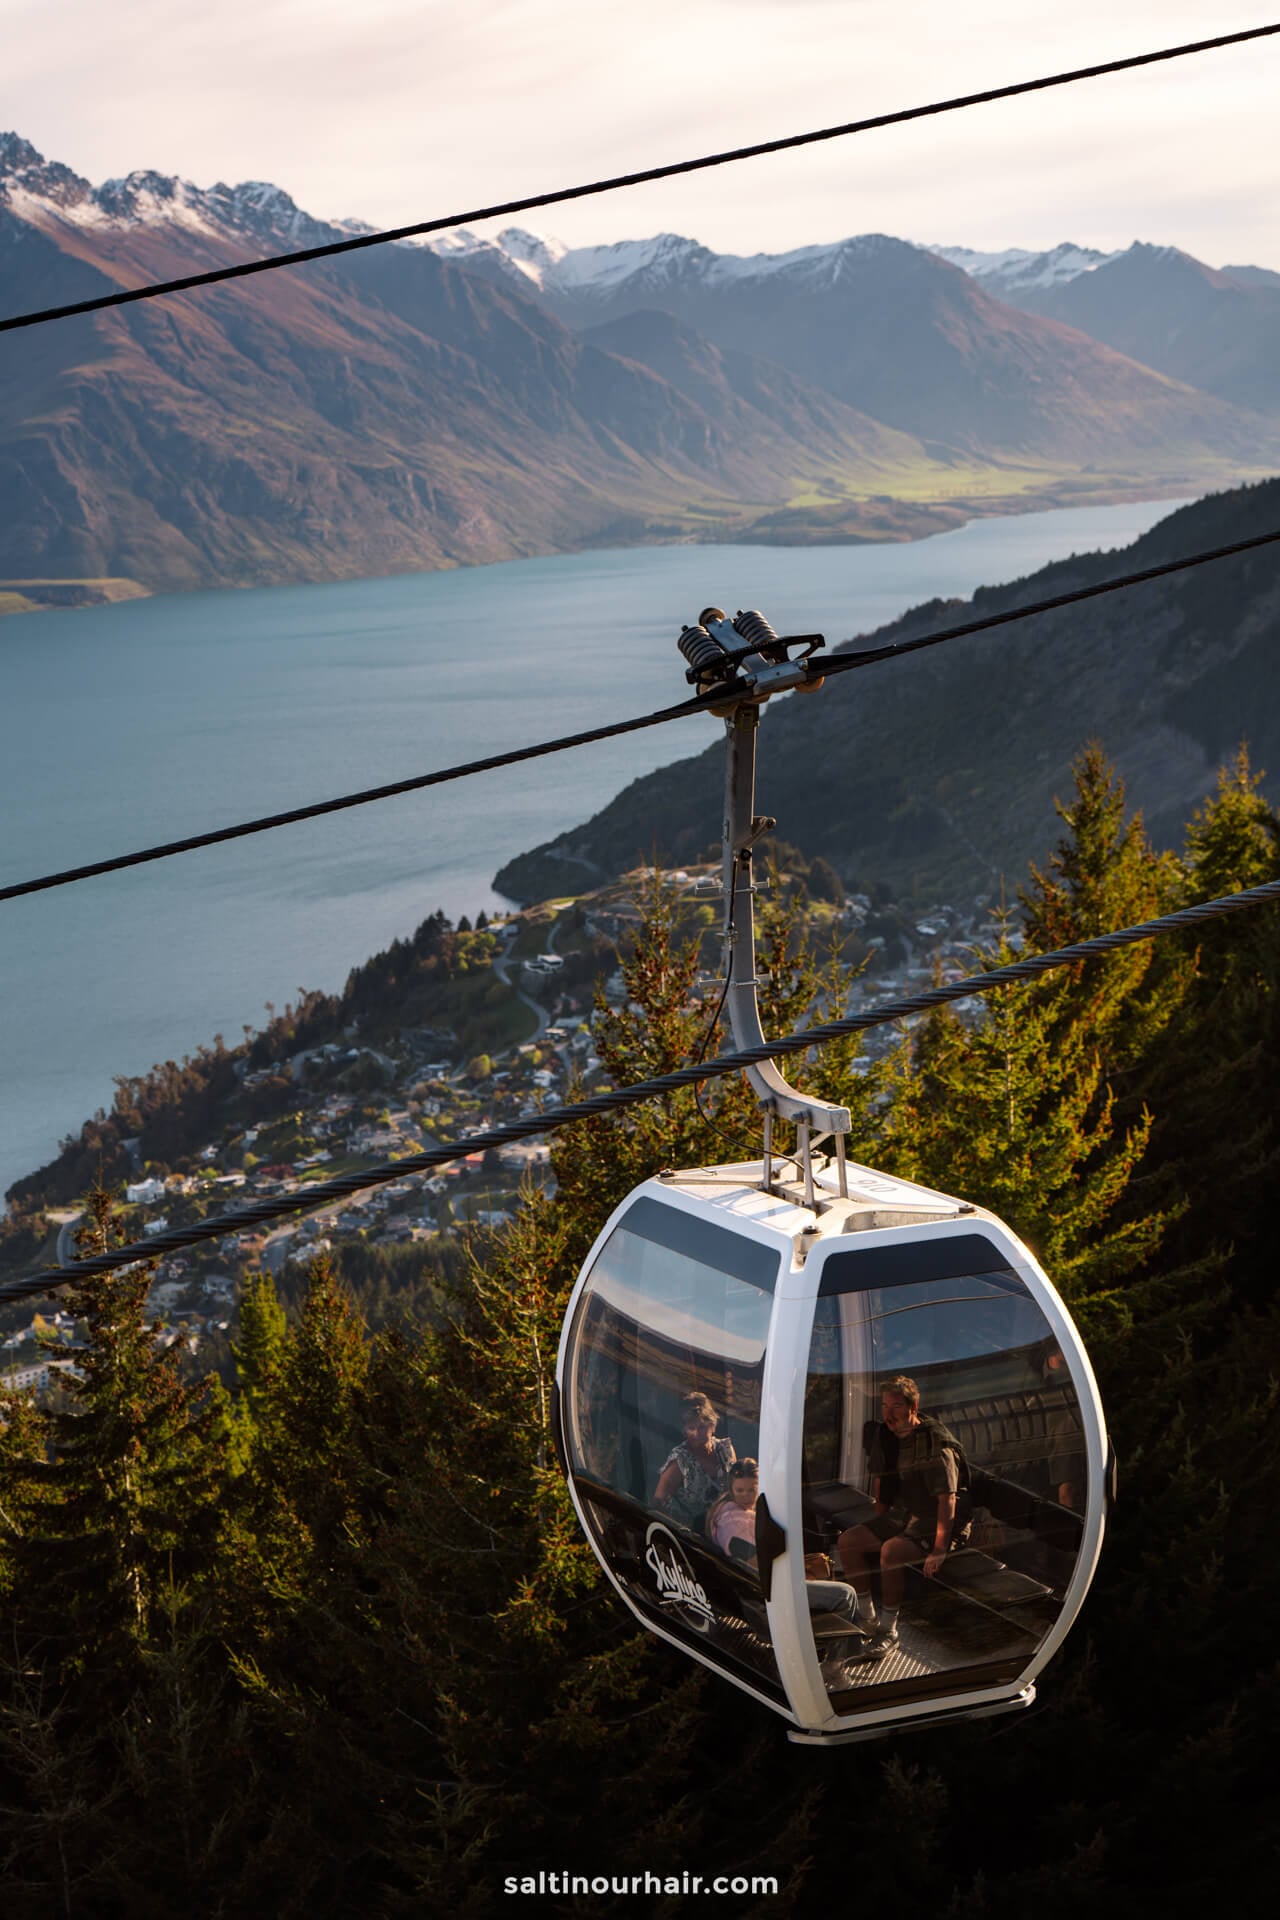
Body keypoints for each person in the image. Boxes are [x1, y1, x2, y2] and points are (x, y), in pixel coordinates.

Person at [709, 1460, 881, 1680]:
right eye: (740, 1490)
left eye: (751, 1489)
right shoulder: (735, 1525)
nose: (746, 1495)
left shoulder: (733, 1512)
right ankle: (835, 1664)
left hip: (761, 1585)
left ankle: (844, 1651)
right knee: (846, 1595)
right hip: (766, 1592)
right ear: (731, 1490)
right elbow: (755, 1564)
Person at [835, 1374, 971, 1647]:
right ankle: (867, 1618)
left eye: (896, 1406)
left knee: (891, 1551)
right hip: (906, 1512)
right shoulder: (887, 1436)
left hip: (940, 1521)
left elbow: (948, 1500)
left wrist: (939, 1549)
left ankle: (888, 1630)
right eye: (884, 1405)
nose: (889, 1413)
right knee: (848, 1542)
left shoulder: (935, 1444)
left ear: (913, 1407)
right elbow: (882, 1483)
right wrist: (879, 1524)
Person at [653, 1393, 735, 1529]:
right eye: (691, 1428)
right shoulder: (680, 1461)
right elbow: (657, 1504)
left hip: (726, 1526)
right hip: (692, 1538)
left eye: (702, 1427)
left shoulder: (725, 1450)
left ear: (713, 1425)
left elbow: (736, 1489)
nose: (696, 1434)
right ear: (685, 1430)